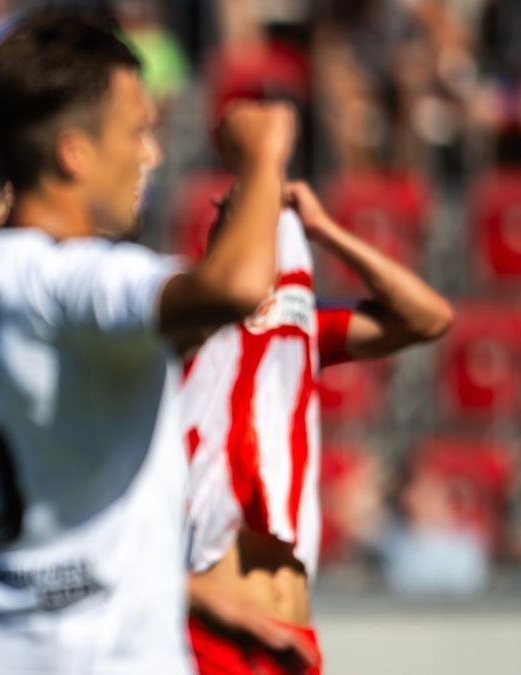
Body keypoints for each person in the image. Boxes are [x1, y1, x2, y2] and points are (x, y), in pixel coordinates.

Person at [0, 11, 295, 673]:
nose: (150, 155)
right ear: (74, 153)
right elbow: (235, 287)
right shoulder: (76, 281)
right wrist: (264, 159)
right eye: (137, 131)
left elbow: (62, 508)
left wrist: (179, 590)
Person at [182, 183, 453, 675]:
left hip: (291, 636)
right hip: (211, 632)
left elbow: (428, 318)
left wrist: (326, 230)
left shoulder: (298, 331)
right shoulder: (185, 329)